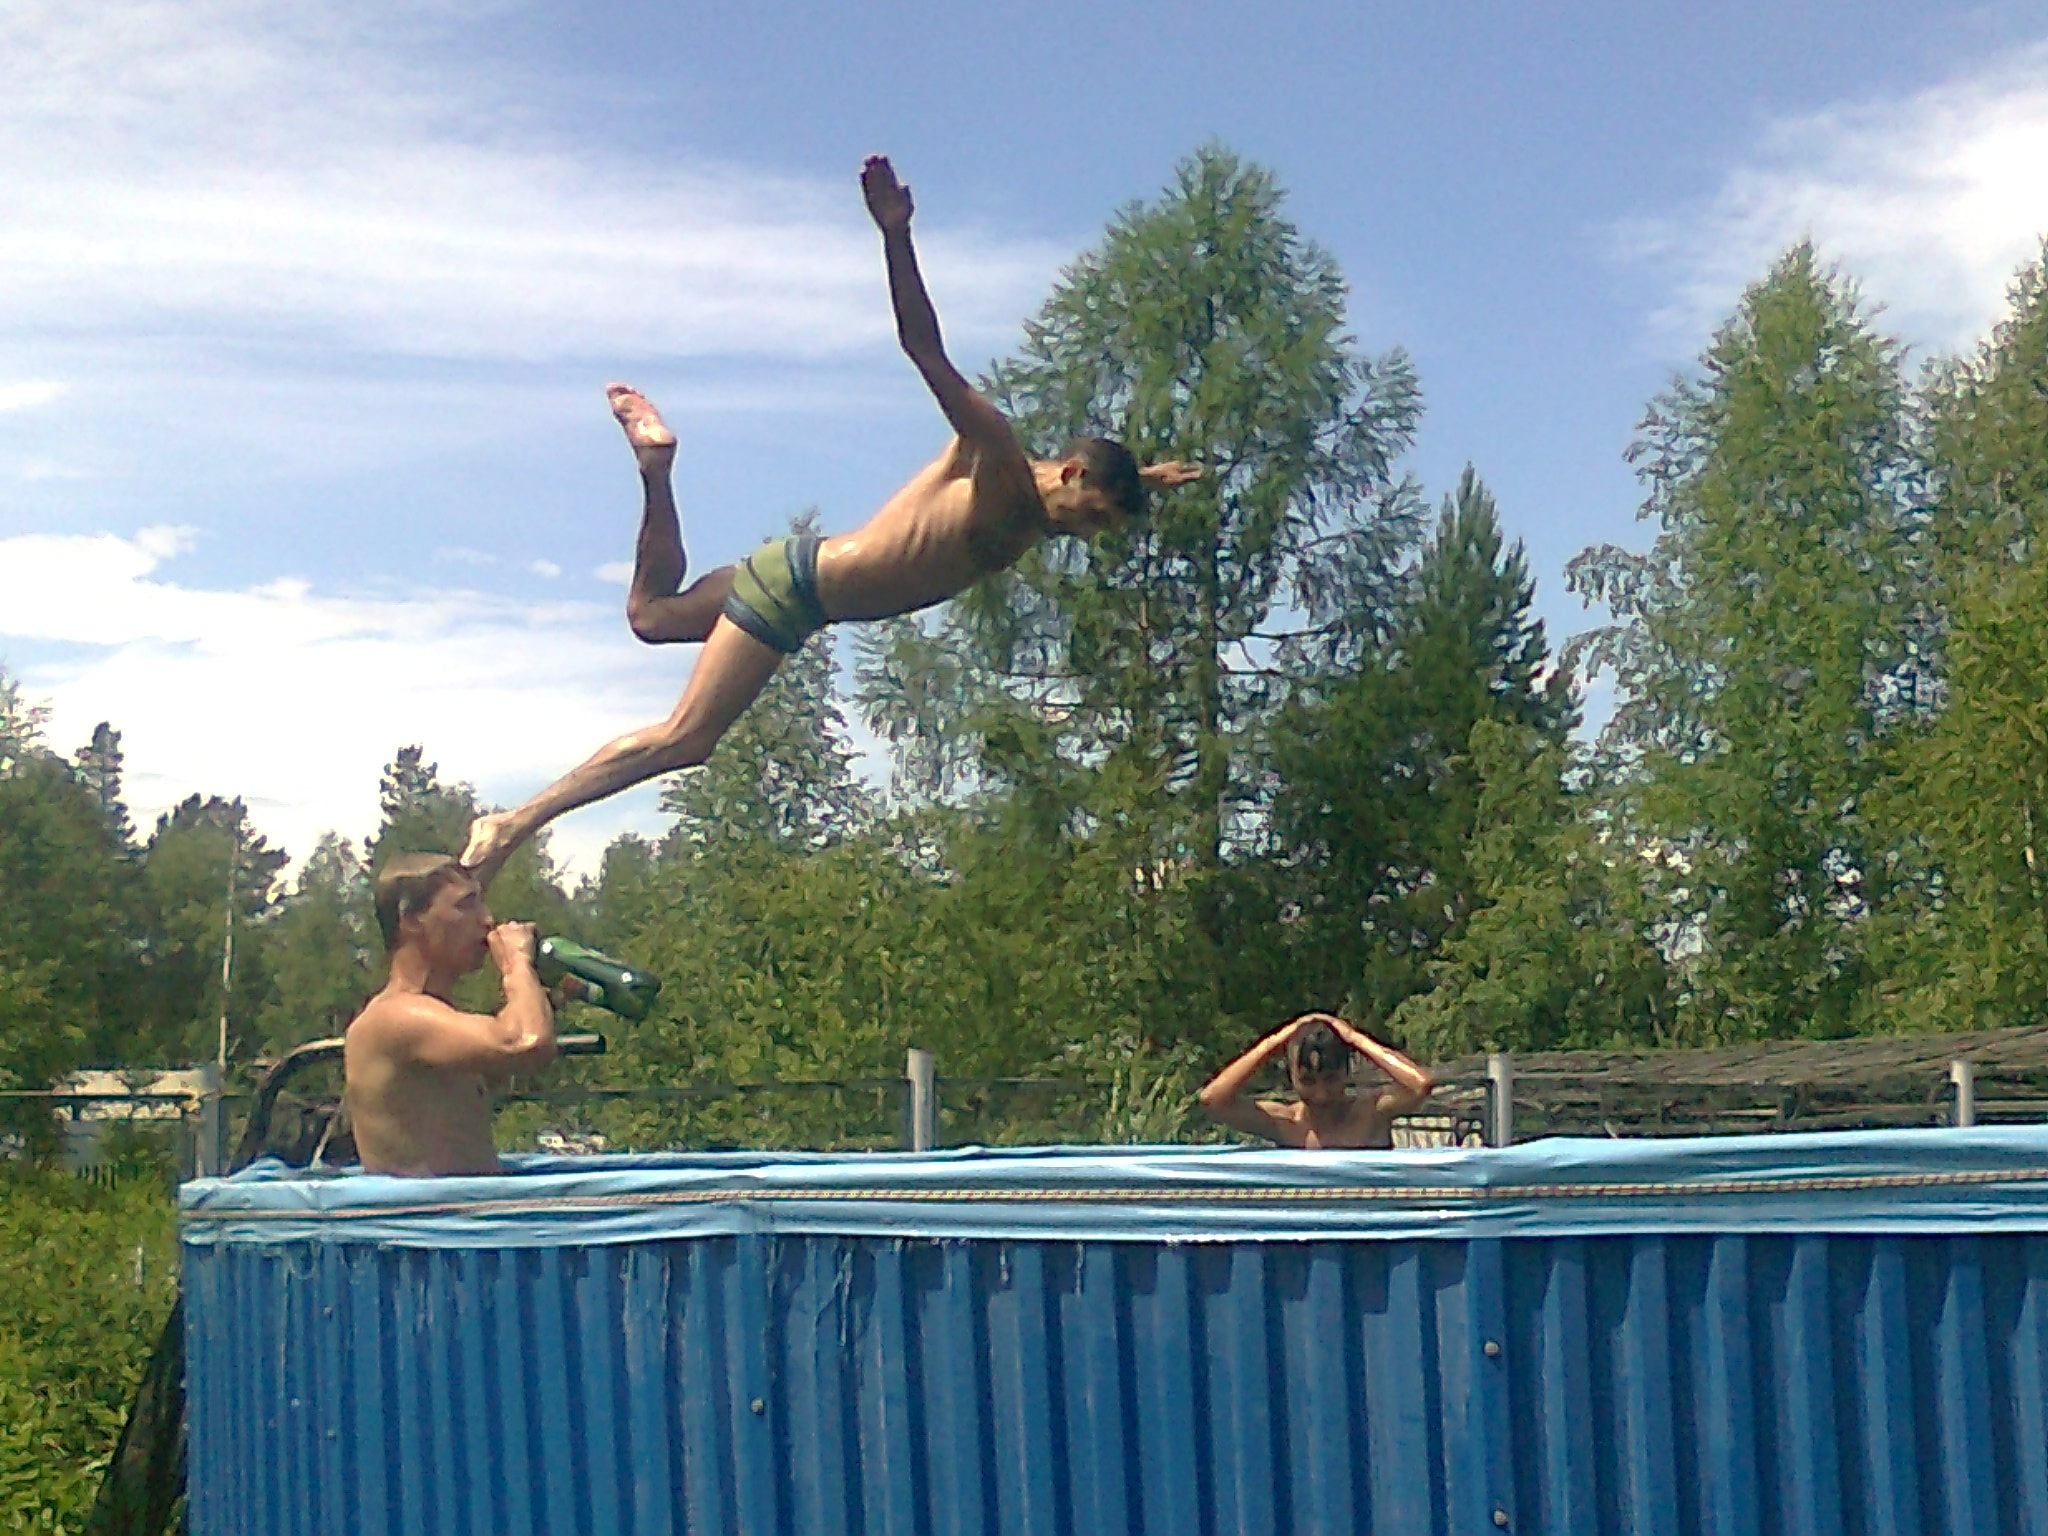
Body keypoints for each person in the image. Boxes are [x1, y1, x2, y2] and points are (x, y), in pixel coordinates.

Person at [459, 154, 1200, 880]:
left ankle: (656, 466)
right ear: (1072, 475)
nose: (1088, 533)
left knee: (651, 617)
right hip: (799, 594)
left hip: (795, 570)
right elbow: (924, 350)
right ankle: (513, 823)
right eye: (1095, 516)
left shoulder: (1035, 489)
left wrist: (1147, 478)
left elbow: (1077, 475)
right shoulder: (1001, 467)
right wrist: (896, 235)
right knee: (687, 739)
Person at [342, 853, 559, 1176]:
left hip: (467, 1205)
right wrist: (516, 964)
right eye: (465, 905)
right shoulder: (396, 1016)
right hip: (429, 1209)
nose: (487, 920)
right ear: (411, 920)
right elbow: (526, 1043)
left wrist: (546, 999)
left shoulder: (436, 1018)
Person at [1198, 1011, 1435, 1150]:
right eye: (1308, 1081)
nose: (1321, 1095)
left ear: (1347, 1072)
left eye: (1330, 1080)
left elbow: (1419, 1085)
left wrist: (1354, 1038)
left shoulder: (1371, 1114)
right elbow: (1212, 1099)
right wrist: (1275, 1041)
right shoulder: (1285, 1123)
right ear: (1291, 1077)